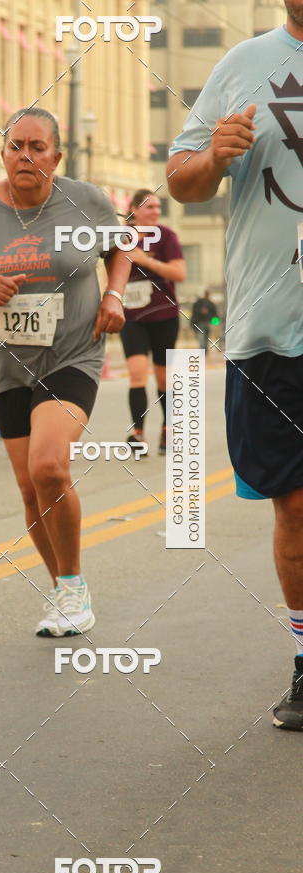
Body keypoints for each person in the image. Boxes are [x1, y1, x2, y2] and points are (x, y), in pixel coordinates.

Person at [0, 107, 131, 637]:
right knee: (29, 490)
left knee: (48, 467)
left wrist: (114, 295)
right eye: (15, 146)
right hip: (7, 363)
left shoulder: (86, 200)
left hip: (72, 354)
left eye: (37, 147)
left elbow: (121, 249)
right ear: (3, 154)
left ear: (56, 156)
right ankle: (65, 589)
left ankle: (72, 587)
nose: (25, 156)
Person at [167, 0, 303, 730]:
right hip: (270, 328)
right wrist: (215, 156)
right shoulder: (242, 65)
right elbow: (181, 179)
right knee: (296, 506)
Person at [120, 189, 186, 456]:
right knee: (137, 373)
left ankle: (167, 429)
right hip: (131, 316)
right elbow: (109, 274)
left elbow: (179, 273)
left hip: (164, 316)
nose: (156, 211)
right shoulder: (121, 237)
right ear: (134, 209)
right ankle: (137, 434)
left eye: (159, 207)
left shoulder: (166, 236)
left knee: (162, 377)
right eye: (150, 207)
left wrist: (146, 260)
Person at [191, 289, 218, 354]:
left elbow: (214, 314)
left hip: (204, 323)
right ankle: (203, 350)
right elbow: (214, 314)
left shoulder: (202, 303)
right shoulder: (205, 303)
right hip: (201, 323)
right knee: (203, 337)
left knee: (203, 337)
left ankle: (203, 350)